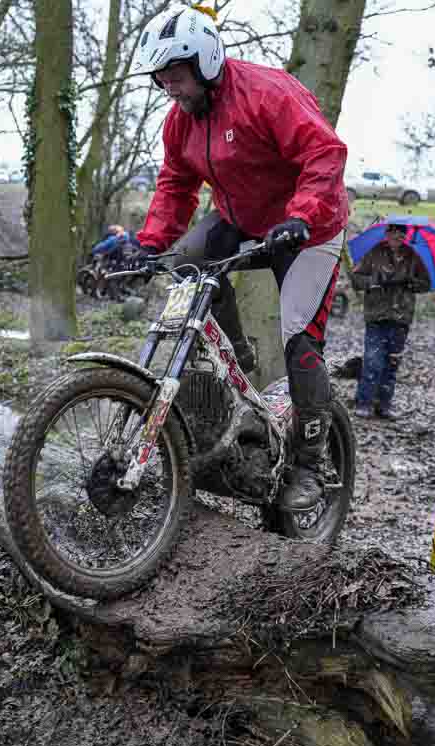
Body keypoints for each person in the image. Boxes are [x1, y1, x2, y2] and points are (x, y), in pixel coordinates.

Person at [131, 4, 349, 512]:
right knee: (185, 266)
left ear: (206, 61)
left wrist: (300, 214)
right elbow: (176, 185)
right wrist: (148, 242)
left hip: (309, 228)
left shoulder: (268, 93)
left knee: (299, 335)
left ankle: (310, 465)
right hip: (241, 219)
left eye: (178, 77)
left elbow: (325, 153)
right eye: (162, 81)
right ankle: (238, 362)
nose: (172, 90)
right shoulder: (179, 124)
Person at [352, 223, 430, 420]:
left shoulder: (414, 256)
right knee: (372, 361)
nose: (398, 236)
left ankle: (384, 405)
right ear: (387, 233)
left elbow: (425, 284)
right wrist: (375, 281)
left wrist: (410, 281)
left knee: (392, 363)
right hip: (376, 316)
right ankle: (364, 403)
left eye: (402, 232)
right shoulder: (374, 253)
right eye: (394, 232)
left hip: (401, 318)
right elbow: (356, 280)